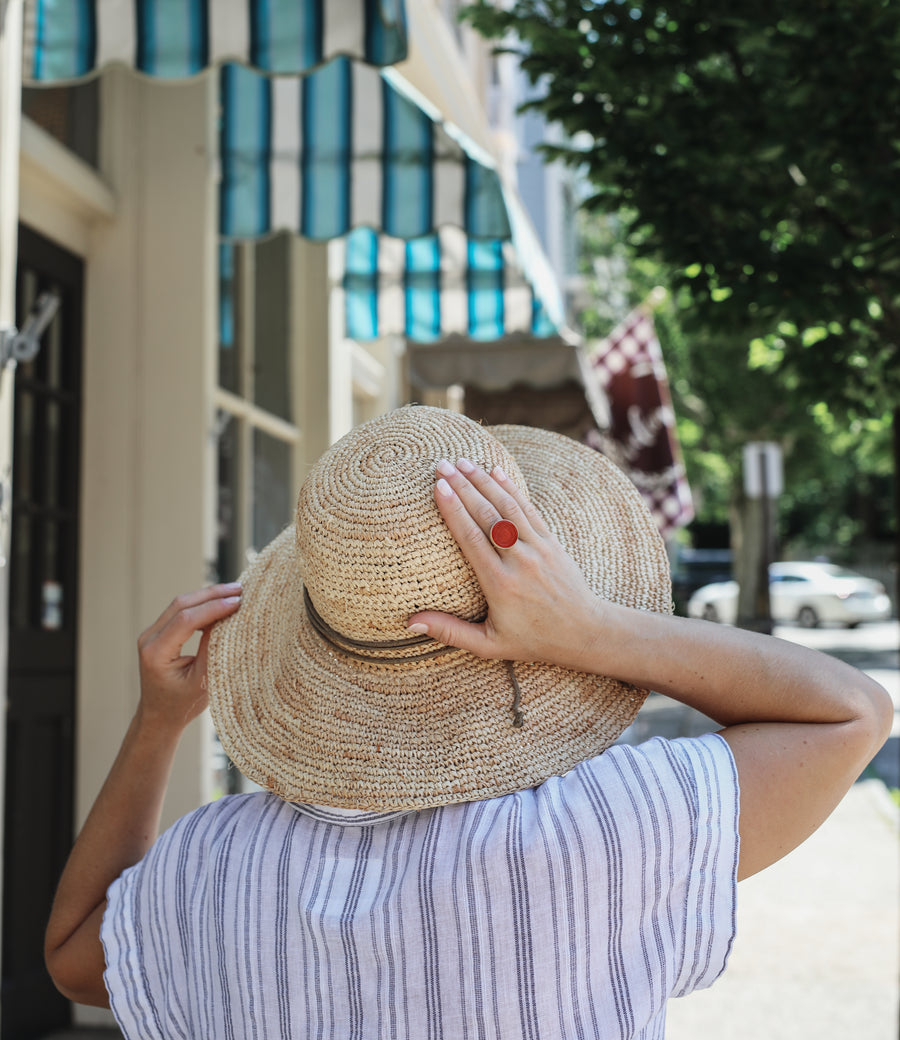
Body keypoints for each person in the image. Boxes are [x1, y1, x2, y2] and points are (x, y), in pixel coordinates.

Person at [44, 405, 891, 1039]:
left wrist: (157, 724)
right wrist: (597, 630)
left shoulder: (210, 865)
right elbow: (850, 713)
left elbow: (74, 952)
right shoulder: (611, 828)